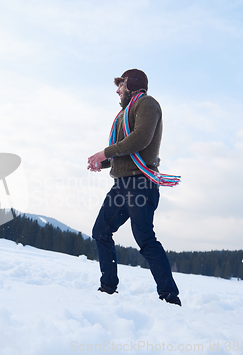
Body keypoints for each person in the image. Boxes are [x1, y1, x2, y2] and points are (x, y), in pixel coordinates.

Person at [87, 69, 181, 306]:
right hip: (122, 184)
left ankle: (170, 297)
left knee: (145, 238)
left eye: (121, 85)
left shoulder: (147, 104)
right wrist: (104, 161)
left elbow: (141, 139)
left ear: (131, 85)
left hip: (140, 184)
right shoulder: (123, 114)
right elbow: (126, 151)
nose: (117, 90)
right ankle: (108, 288)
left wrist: (106, 152)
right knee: (100, 231)